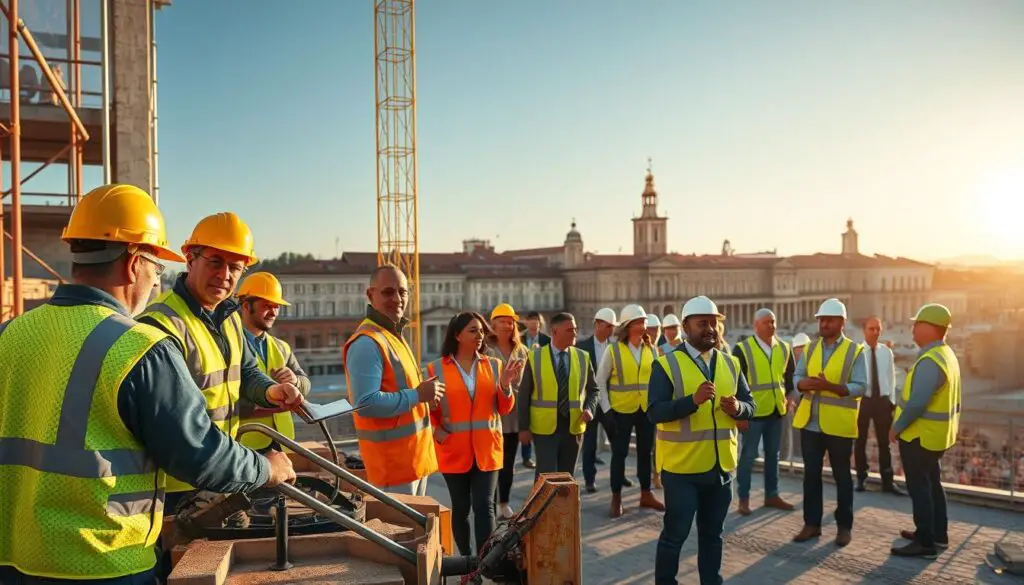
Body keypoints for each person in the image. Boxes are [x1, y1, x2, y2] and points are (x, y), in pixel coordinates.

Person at [0, 184, 300, 583]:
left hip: (15, 558)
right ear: (132, 264)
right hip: (104, 560)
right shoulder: (140, 344)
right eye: (156, 268)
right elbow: (200, 452)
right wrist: (266, 468)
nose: (156, 279)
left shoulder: (11, 333)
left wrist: (267, 389)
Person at [138, 212, 301, 511]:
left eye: (235, 268)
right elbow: (173, 427)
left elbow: (248, 371)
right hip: (177, 486)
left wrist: (270, 391)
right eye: (215, 262)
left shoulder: (228, 318)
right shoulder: (163, 322)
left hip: (221, 471)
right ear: (190, 259)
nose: (225, 275)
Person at [649, 296, 755, 585]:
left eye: (714, 323)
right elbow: (654, 412)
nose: (710, 329)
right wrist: (691, 401)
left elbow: (750, 405)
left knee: (713, 536)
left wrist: (738, 409)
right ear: (686, 327)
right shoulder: (666, 365)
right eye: (703, 323)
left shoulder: (731, 364)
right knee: (675, 536)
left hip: (720, 469)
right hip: (682, 470)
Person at [426, 312, 523, 556]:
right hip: (453, 450)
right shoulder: (435, 369)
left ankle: (484, 560)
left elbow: (504, 407)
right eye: (472, 330)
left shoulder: (494, 365)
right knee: (460, 508)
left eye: (481, 331)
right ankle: (467, 558)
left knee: (484, 506)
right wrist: (438, 433)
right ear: (457, 335)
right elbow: (427, 410)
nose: (479, 335)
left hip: (487, 449)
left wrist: (505, 385)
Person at [343, 265, 441, 495]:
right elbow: (366, 403)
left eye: (403, 291)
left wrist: (425, 398)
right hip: (392, 469)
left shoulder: (393, 335)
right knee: (397, 531)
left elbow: (402, 389)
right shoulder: (368, 342)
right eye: (388, 292)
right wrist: (418, 395)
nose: (397, 298)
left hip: (414, 462)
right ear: (370, 295)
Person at [791, 298, 867, 547]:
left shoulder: (855, 351)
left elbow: (860, 387)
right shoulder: (811, 348)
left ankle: (844, 527)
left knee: (842, 478)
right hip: (811, 423)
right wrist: (803, 384)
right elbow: (797, 376)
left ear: (842, 323)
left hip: (839, 426)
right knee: (810, 476)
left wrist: (830, 387)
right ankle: (811, 524)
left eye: (829, 320)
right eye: (821, 319)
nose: (823, 324)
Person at [890, 304, 961, 559]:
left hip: (920, 436)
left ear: (929, 328)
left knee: (919, 486)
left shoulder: (930, 360)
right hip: (936, 435)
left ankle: (925, 542)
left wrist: (897, 427)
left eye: (916, 324)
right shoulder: (945, 354)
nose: (912, 328)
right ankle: (937, 535)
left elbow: (918, 403)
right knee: (932, 483)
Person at [597, 304, 665, 517]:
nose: (644, 325)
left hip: (645, 410)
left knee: (646, 453)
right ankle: (616, 497)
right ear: (629, 325)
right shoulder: (613, 350)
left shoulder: (651, 350)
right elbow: (599, 382)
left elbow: (657, 381)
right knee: (620, 454)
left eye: (645, 321)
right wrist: (606, 411)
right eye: (640, 322)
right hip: (621, 410)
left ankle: (646, 493)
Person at [517, 312, 600, 480]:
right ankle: (541, 507)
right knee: (546, 477)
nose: (575, 333)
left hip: (573, 427)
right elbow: (523, 394)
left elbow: (594, 390)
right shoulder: (535, 357)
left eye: (575, 329)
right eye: (570, 330)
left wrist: (589, 408)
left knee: (566, 478)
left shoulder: (583, 357)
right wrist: (523, 428)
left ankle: (563, 507)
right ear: (555, 332)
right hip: (544, 429)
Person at [236, 271, 312, 452]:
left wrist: (295, 381)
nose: (274, 312)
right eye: (267, 306)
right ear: (246, 306)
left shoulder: (281, 347)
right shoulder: (230, 344)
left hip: (282, 443)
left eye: (276, 306)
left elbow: (306, 383)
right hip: (246, 444)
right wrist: (267, 405)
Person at [732, 308, 796, 515]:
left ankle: (772, 495)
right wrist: (739, 415)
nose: (771, 325)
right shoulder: (742, 349)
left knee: (773, 456)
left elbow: (789, 380)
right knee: (748, 456)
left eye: (773, 321)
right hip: (753, 414)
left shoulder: (785, 348)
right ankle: (744, 498)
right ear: (756, 325)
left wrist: (789, 399)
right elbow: (734, 385)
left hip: (776, 412)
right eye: (767, 322)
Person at [485, 303, 530, 519]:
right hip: (491, 414)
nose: (507, 325)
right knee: (492, 463)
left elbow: (529, 385)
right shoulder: (484, 349)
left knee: (508, 463)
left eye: (510, 321)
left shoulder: (522, 351)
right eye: (502, 321)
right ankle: (490, 504)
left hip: (513, 416)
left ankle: (504, 503)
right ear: (493, 324)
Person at [855, 316, 904, 495]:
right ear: (864, 330)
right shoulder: (857, 352)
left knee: (886, 443)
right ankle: (861, 478)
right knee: (860, 441)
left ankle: (888, 481)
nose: (875, 332)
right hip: (864, 401)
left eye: (878, 329)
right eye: (871, 329)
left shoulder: (886, 352)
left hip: (882, 402)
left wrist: (891, 401)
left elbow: (891, 377)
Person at [576, 307, 617, 493]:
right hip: (590, 403)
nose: (611, 329)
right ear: (598, 325)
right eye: (608, 326)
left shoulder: (615, 348)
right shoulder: (581, 347)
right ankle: (589, 479)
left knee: (617, 442)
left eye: (613, 326)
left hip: (609, 403)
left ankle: (619, 476)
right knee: (590, 444)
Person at [519, 311, 549, 468]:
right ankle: (526, 456)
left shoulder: (546, 340)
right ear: (526, 323)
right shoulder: (519, 339)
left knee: (539, 421)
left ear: (540, 323)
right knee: (526, 419)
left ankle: (541, 454)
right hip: (524, 381)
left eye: (536, 321)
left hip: (542, 382)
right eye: (530, 320)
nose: (533, 323)